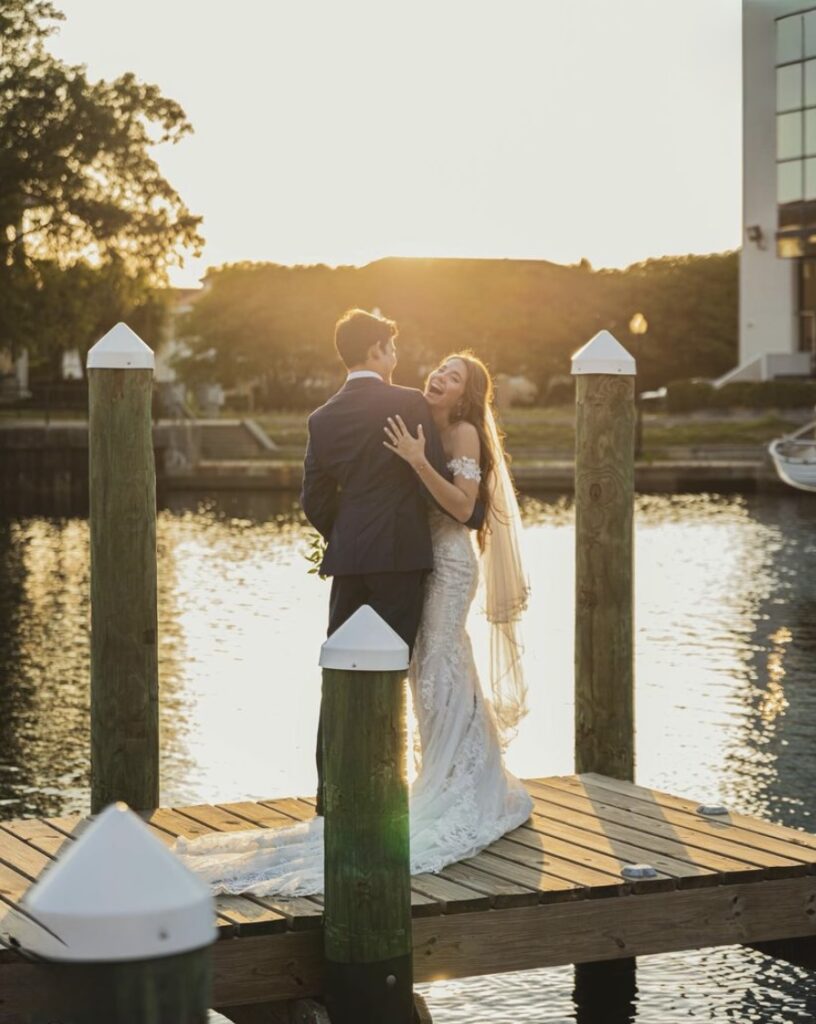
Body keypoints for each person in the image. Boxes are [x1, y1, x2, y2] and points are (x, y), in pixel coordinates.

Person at [173, 326, 533, 896]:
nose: (437, 375)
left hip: (439, 561)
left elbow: (461, 508)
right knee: (417, 668)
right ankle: (436, 779)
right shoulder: (412, 408)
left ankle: (451, 781)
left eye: (453, 375)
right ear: (380, 352)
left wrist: (350, 535)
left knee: (426, 663)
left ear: (467, 395)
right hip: (410, 559)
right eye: (439, 368)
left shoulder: (407, 423)